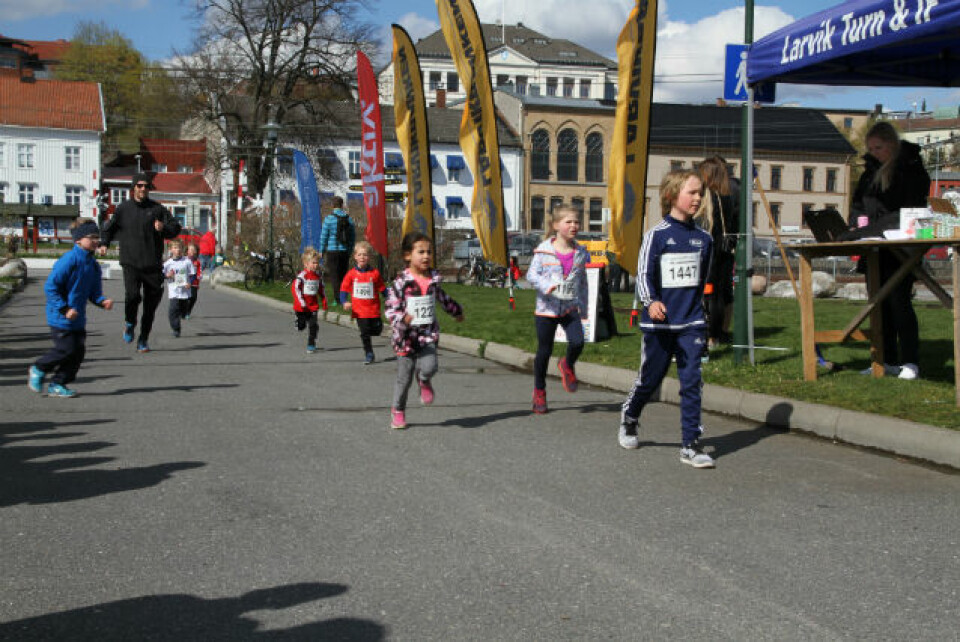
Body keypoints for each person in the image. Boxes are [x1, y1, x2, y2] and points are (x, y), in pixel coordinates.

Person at [619, 170, 715, 468]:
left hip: (691, 322)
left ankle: (691, 445)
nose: (697, 198)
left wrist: (703, 315)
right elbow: (644, 275)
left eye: (700, 193)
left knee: (691, 381)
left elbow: (703, 282)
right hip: (659, 323)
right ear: (672, 195)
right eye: (691, 193)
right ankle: (630, 416)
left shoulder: (704, 239)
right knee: (651, 379)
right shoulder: (657, 235)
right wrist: (652, 301)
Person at [847, 121, 930, 380]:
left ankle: (910, 360)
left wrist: (867, 230)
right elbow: (859, 203)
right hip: (874, 246)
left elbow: (906, 210)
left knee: (899, 302)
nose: (874, 152)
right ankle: (885, 359)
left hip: (900, 246)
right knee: (878, 304)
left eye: (879, 147)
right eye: (870, 148)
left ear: (892, 145)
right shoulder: (869, 172)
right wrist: (856, 225)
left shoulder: (910, 169)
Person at [385, 232, 464, 430]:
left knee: (430, 366)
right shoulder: (401, 283)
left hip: (427, 335)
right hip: (405, 338)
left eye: (429, 252)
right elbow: (390, 308)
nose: (426, 256)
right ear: (407, 256)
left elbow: (443, 299)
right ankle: (398, 411)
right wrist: (403, 318)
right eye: (420, 252)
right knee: (404, 379)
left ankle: (424, 380)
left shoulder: (433, 280)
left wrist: (456, 312)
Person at [28, 218, 114, 398]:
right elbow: (51, 287)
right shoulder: (69, 260)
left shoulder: (93, 265)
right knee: (65, 349)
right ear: (78, 240)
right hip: (60, 316)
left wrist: (102, 301)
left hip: (77, 318)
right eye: (92, 237)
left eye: (97, 237)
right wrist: (64, 308)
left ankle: (58, 384)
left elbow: (94, 293)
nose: (96, 241)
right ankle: (39, 368)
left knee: (77, 354)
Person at [100, 172, 181, 353]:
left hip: (152, 264)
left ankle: (143, 339)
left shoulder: (158, 209)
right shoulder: (123, 209)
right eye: (140, 186)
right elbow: (109, 228)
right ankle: (130, 322)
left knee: (150, 307)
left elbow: (176, 227)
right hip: (131, 262)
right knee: (133, 296)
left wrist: (164, 228)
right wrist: (104, 243)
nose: (143, 189)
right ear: (133, 188)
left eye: (146, 186)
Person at [525, 203, 590, 414]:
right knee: (544, 351)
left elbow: (582, 282)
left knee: (579, 341)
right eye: (568, 222)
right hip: (547, 308)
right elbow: (531, 275)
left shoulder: (580, 252)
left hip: (569, 306)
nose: (574, 225)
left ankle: (567, 364)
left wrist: (585, 307)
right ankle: (539, 392)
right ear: (555, 225)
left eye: (577, 221)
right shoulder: (543, 251)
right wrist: (548, 286)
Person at [696, 155, 739, 351]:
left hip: (711, 249)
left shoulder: (708, 196)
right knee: (719, 294)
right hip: (724, 249)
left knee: (710, 293)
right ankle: (717, 334)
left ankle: (710, 335)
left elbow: (704, 224)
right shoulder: (729, 196)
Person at [340, 241, 387, 364]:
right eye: (360, 255)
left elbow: (382, 288)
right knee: (364, 332)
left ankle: (374, 332)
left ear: (369, 257)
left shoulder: (375, 273)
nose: (362, 257)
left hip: (373, 309)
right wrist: (344, 301)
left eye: (365, 255)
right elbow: (344, 289)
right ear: (355, 256)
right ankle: (369, 353)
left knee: (377, 330)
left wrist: (390, 298)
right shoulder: (351, 274)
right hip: (359, 310)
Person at [319, 196, 355, 303]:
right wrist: (350, 250)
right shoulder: (349, 219)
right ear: (342, 205)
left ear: (332, 205)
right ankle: (344, 298)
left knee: (334, 275)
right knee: (343, 275)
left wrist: (321, 250)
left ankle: (337, 299)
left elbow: (324, 236)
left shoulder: (329, 219)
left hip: (332, 251)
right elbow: (352, 237)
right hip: (344, 251)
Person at [291, 247, 327, 354]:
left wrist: (324, 300)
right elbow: (295, 288)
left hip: (313, 306)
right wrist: (301, 302)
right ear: (306, 264)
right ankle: (298, 321)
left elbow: (321, 289)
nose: (315, 265)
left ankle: (311, 344)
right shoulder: (302, 276)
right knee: (302, 326)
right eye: (313, 263)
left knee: (313, 325)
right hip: (301, 307)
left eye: (317, 263)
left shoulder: (318, 276)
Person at [163, 240, 195, 338]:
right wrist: (167, 275)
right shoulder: (168, 263)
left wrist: (190, 282)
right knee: (173, 311)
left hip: (185, 291)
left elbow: (193, 274)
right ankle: (176, 329)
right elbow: (161, 274)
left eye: (180, 248)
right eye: (175, 248)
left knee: (183, 310)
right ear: (171, 250)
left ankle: (184, 313)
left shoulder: (187, 261)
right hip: (174, 290)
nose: (178, 250)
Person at [184, 243, 202, 319]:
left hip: (194, 283)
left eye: (193, 250)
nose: (191, 251)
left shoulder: (197, 262)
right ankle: (183, 311)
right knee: (185, 298)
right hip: (185, 282)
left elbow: (199, 271)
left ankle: (188, 311)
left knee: (193, 298)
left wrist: (199, 275)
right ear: (187, 251)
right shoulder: (184, 260)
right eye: (190, 249)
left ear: (196, 252)